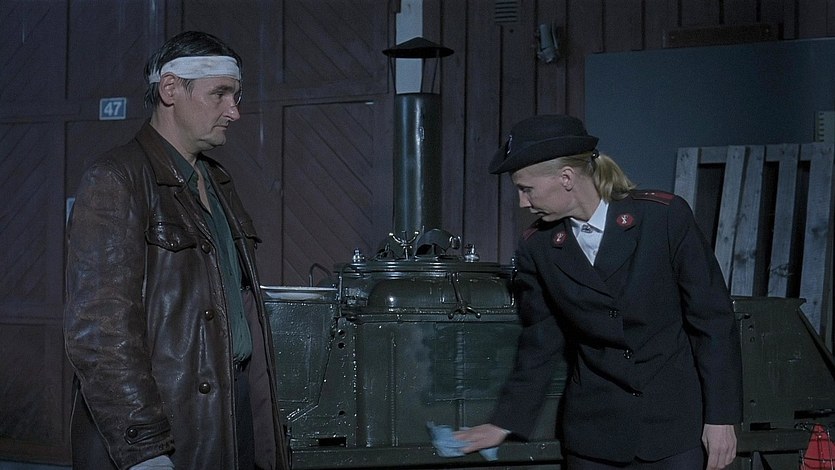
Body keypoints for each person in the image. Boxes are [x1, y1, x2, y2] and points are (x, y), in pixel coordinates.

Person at [455, 115, 742, 469]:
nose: (522, 203)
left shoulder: (664, 219)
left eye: (526, 189)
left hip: (673, 432)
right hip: (595, 437)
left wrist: (721, 418)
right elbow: (541, 341)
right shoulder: (538, 247)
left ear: (566, 178)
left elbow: (712, 320)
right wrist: (504, 422)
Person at [64, 31, 289, 470]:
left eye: (236, 96)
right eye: (220, 94)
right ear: (170, 89)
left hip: (232, 408)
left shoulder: (217, 181)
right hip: (170, 419)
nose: (234, 111)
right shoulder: (118, 178)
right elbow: (100, 331)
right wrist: (145, 447)